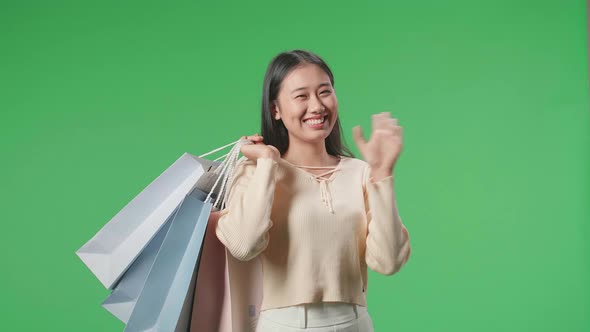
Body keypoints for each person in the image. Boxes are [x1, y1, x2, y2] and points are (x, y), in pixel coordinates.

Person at [214, 49, 411, 331]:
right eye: (301, 96)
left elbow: (389, 262)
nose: (317, 106)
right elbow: (244, 245)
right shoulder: (256, 172)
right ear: (275, 110)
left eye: (324, 92)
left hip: (355, 323)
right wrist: (269, 162)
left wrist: (382, 176)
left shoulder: (361, 173)